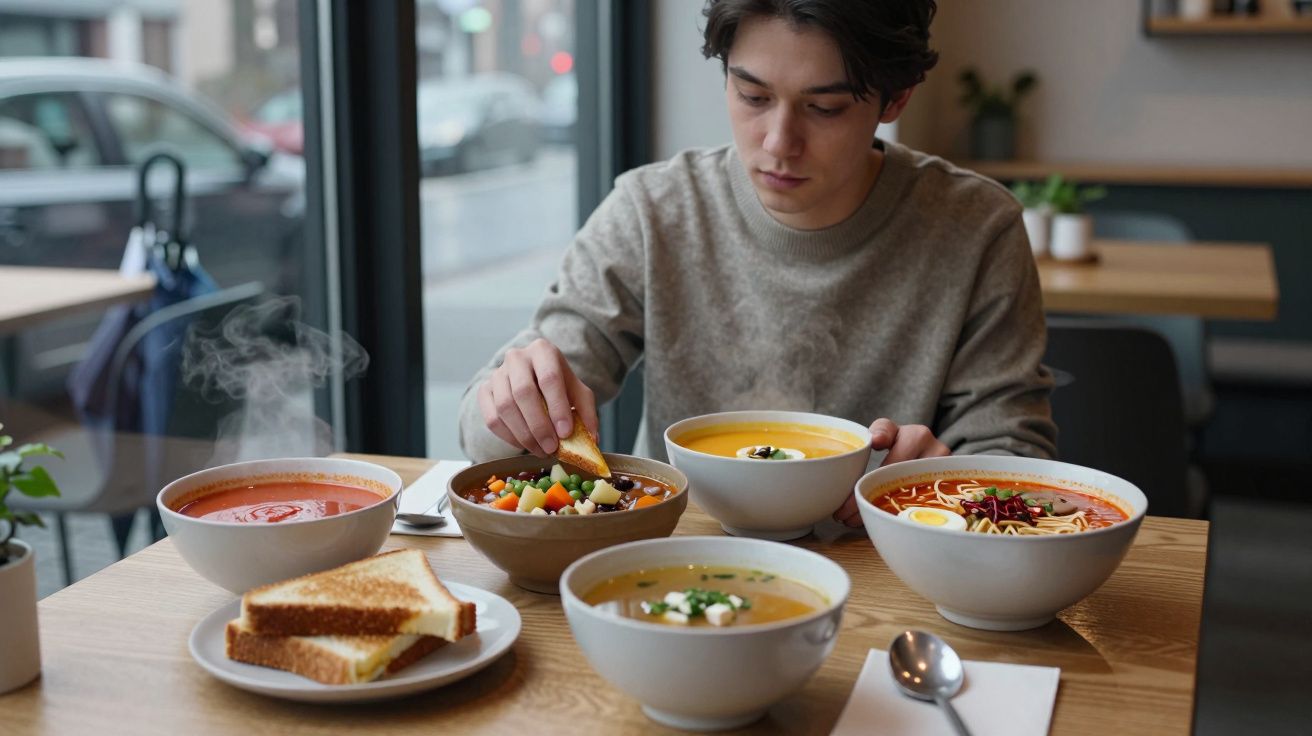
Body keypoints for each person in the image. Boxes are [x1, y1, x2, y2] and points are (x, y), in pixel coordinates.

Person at [458, 0, 1056, 528]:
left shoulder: (977, 228)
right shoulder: (654, 211)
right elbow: (489, 436)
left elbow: (1017, 464)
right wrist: (512, 402)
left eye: (824, 108)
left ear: (895, 98)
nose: (777, 143)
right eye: (752, 96)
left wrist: (948, 477)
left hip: (885, 572)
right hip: (682, 564)